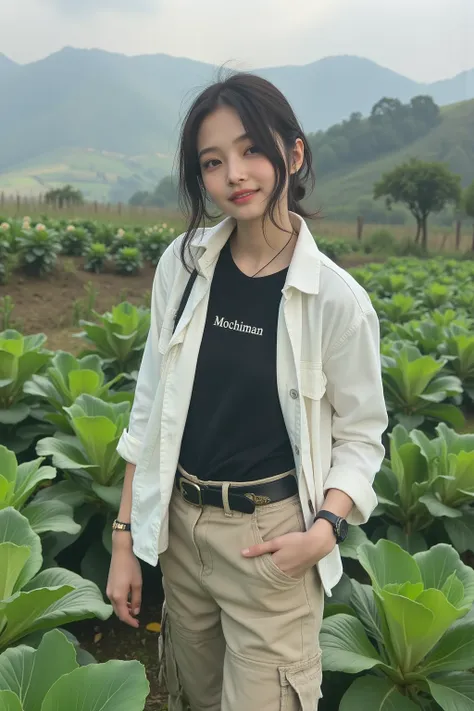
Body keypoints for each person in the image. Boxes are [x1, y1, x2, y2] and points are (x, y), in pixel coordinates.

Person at [106, 72, 388, 711]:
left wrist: (323, 531)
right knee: (189, 698)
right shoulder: (182, 267)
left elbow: (363, 436)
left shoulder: (337, 301)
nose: (234, 173)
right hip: (182, 531)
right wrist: (125, 539)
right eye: (213, 161)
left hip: (272, 542)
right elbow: (148, 410)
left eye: (251, 150)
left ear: (293, 154)